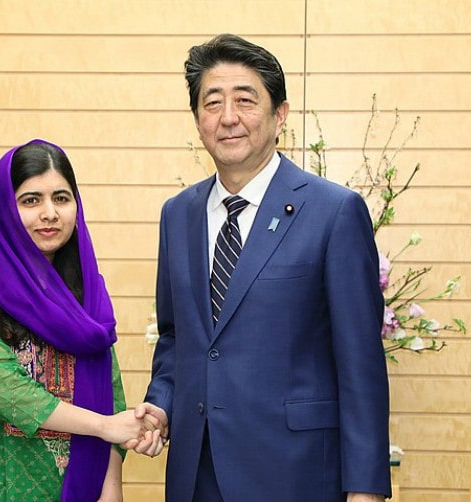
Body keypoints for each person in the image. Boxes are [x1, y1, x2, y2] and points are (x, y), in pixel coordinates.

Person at [130, 34, 391, 501]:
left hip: (296, 474)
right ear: (197, 119)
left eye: (245, 100)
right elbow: (176, 338)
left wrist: (365, 490)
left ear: (280, 115)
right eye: (212, 102)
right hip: (196, 474)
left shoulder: (334, 212)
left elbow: (361, 366)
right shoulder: (178, 215)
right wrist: (162, 404)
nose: (228, 117)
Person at [0, 139, 162, 501]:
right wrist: (106, 427)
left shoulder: (88, 295)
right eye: (31, 200)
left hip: (79, 487)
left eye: (61, 198)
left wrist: (111, 490)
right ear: (4, 211)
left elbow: (110, 395)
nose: (50, 213)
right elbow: (8, 393)